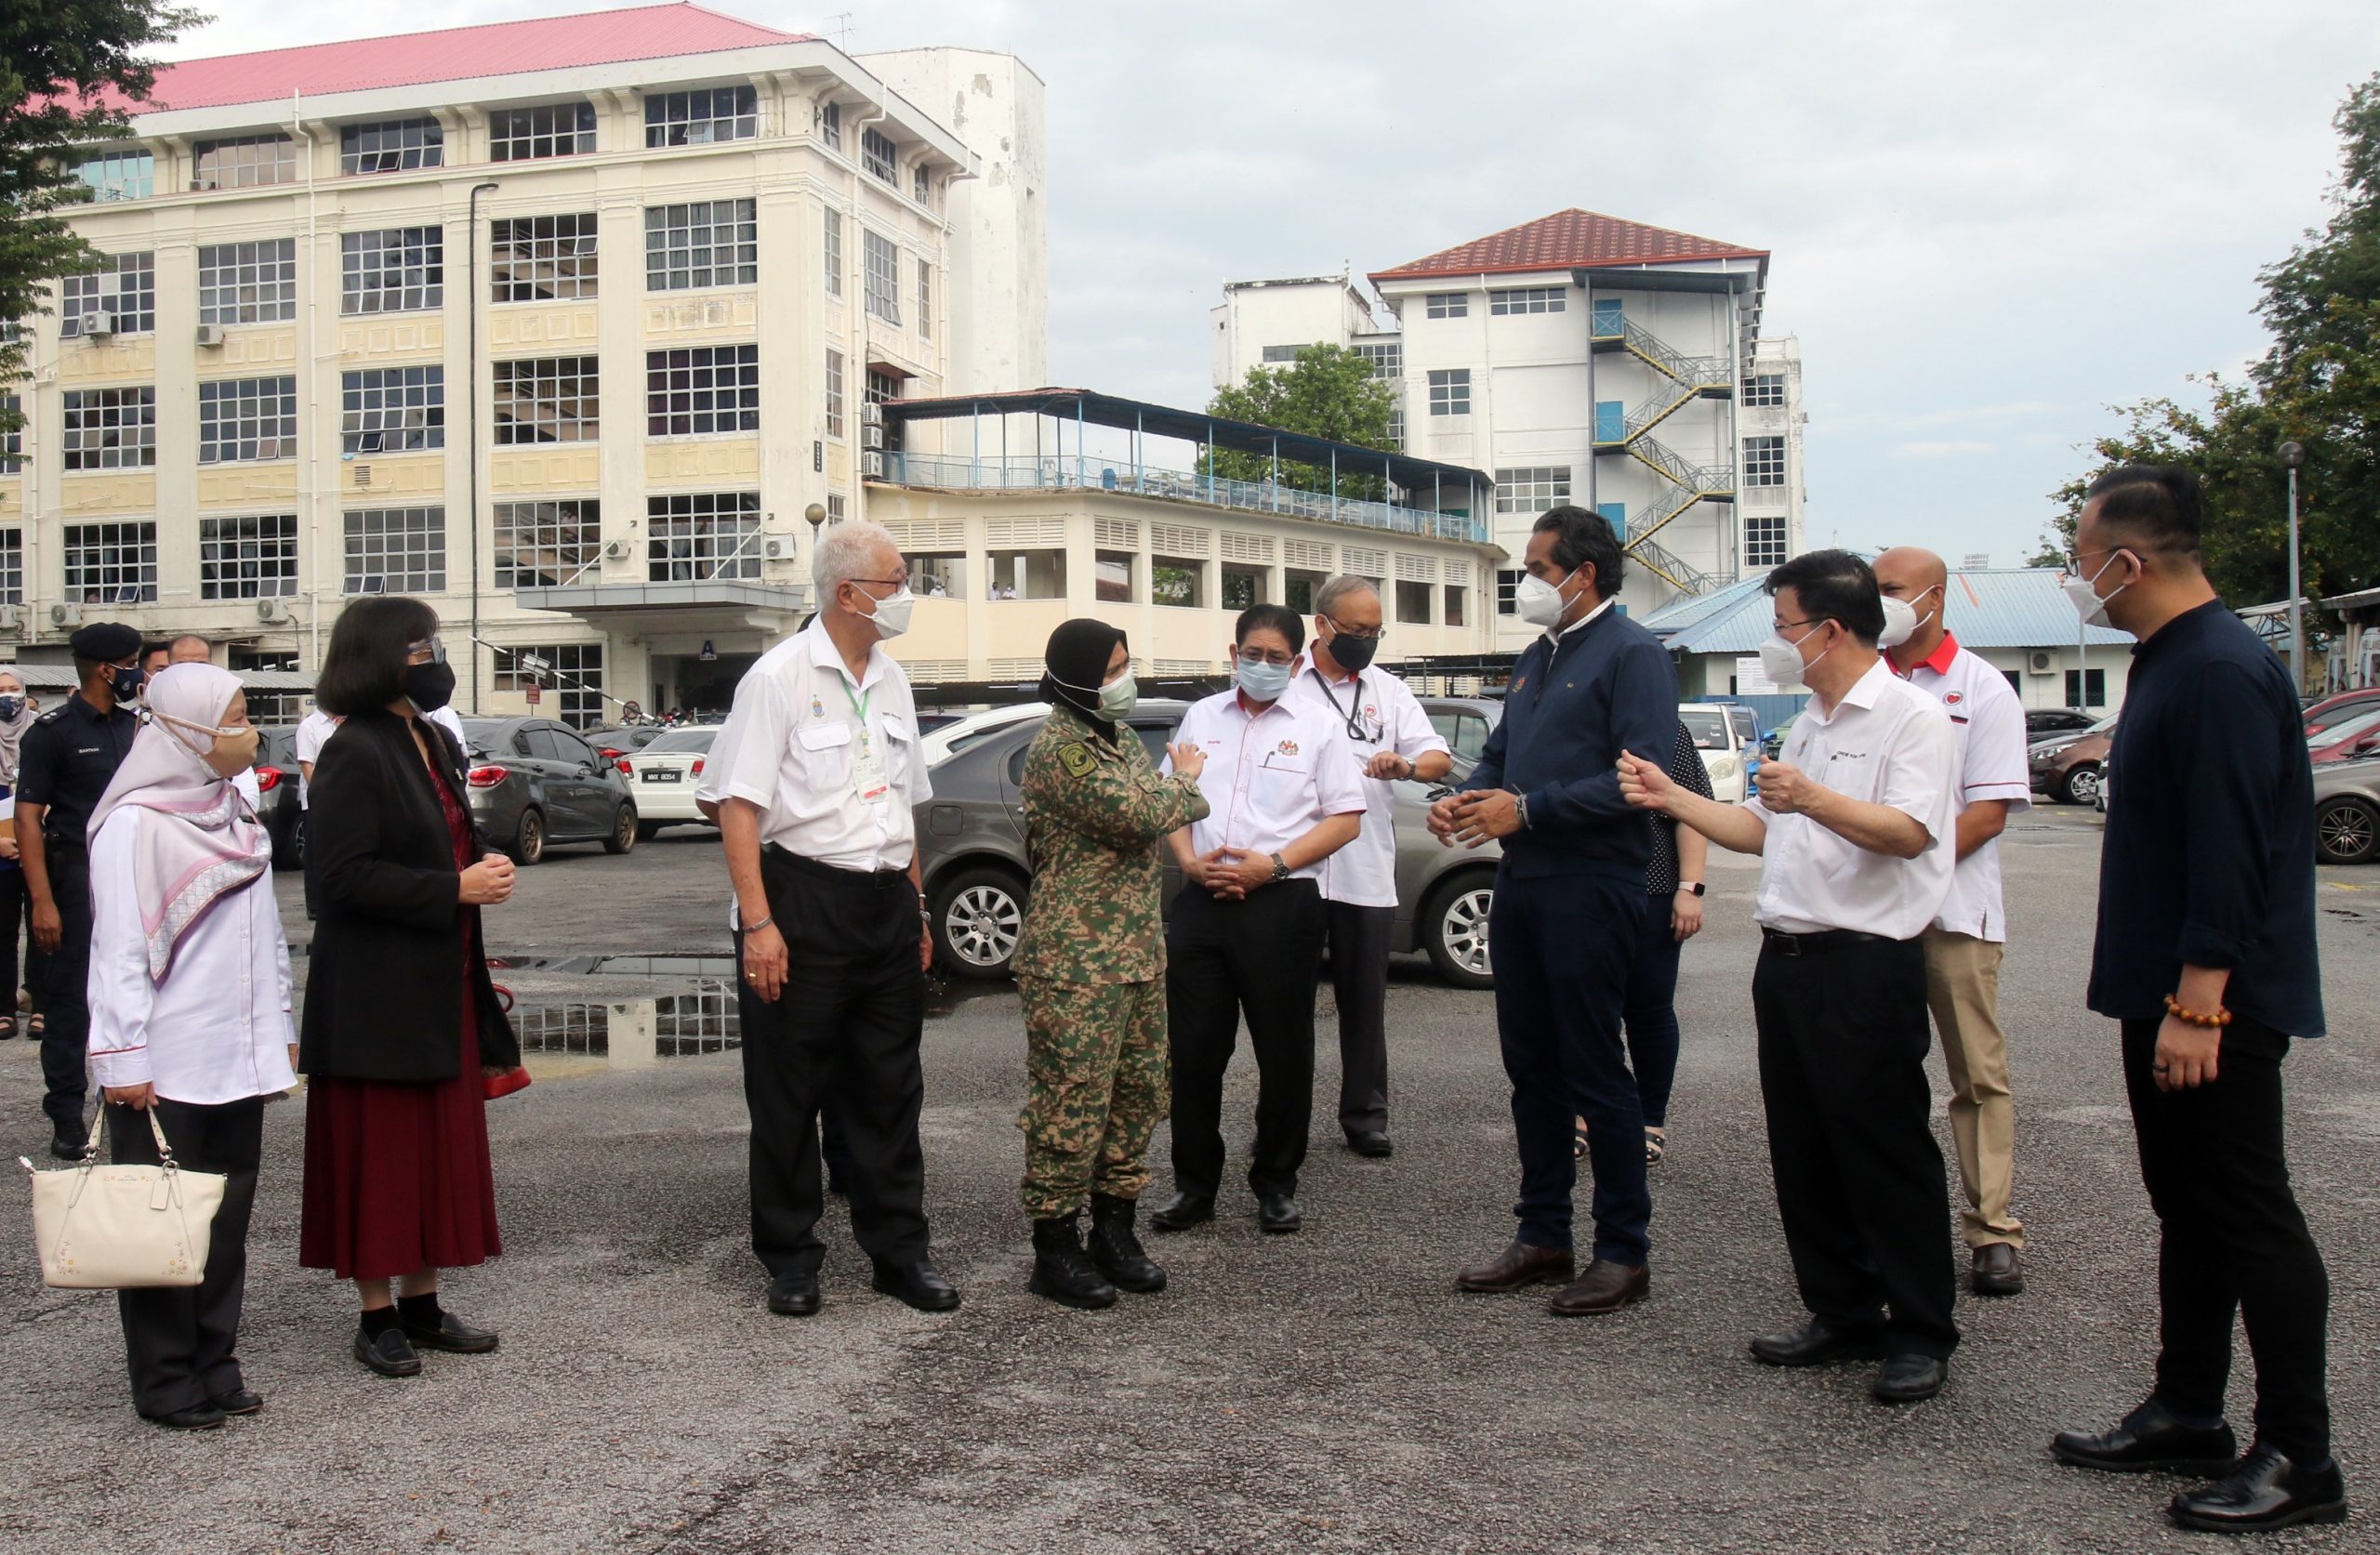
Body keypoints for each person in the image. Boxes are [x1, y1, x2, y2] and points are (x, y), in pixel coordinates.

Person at [2047, 467, 2346, 1533]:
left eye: (2082, 560)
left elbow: (2231, 848)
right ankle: (2187, 1406)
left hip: (2213, 999)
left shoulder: (2217, 668)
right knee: (2190, 1205)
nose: (2076, 577)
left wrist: (2200, 1000)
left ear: (2127, 561)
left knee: (2249, 1209)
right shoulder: (2172, 660)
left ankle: (2300, 1454)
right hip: (2167, 986)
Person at [1620, 548, 1960, 1403]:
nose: (1776, 642)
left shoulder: (1911, 717)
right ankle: (1842, 1310)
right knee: (1805, 1147)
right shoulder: (1811, 720)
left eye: (1784, 626)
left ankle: (1920, 1329)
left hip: (1866, 963)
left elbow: (1909, 832)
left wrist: (1811, 797)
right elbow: (1760, 827)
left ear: (1831, 629)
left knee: (1883, 1148)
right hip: (1790, 959)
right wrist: (1669, 796)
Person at [696, 521, 956, 1318]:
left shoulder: (893, 679)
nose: (907, 594)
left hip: (883, 902)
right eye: (896, 580)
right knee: (788, 1089)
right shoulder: (778, 677)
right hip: (801, 898)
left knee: (890, 1087)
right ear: (848, 593)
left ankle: (898, 1254)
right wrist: (760, 922)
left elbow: (904, 807)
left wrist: (916, 907)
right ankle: (791, 1258)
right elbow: (734, 806)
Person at [1434, 508, 1676, 1317]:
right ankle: (1543, 1234)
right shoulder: (1538, 654)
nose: (1526, 582)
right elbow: (1501, 759)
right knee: (1532, 1067)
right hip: (1525, 881)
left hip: (1593, 884)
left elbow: (1640, 779)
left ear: (1585, 573)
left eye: (1538, 568)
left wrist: (1528, 809)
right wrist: (1465, 799)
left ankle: (1622, 1250)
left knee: (1594, 1069)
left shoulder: (1634, 652)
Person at [298, 598, 522, 1379]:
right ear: (382, 657)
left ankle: (423, 1304)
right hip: (374, 993)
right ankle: (376, 1316)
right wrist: (453, 888)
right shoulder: (352, 748)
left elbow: (446, 834)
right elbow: (341, 878)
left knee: (433, 1147)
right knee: (382, 1154)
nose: (435, 659)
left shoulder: (429, 736)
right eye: (422, 648)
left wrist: (484, 861)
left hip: (438, 976)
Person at [86, 664, 293, 1430]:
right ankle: (166, 1375)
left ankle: (215, 1358)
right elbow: (116, 949)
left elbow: (266, 932)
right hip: (165, 1060)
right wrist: (122, 1056)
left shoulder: (234, 808)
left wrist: (279, 1023)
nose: (246, 731)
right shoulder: (134, 823)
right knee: (160, 1222)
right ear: (185, 727)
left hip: (237, 1052)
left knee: (225, 1219)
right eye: (232, 717)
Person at [1012, 620, 1210, 1307]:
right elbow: (1135, 813)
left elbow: (1148, 804)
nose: (1125, 680)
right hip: (1074, 961)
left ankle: (1114, 1231)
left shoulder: (1118, 738)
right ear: (1075, 679)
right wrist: (1185, 782)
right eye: (1112, 669)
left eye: (1126, 664)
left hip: (1136, 952)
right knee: (1071, 1102)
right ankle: (1055, 1245)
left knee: (1137, 1095)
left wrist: (1167, 793)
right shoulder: (1060, 750)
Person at [1150, 603, 1363, 1236]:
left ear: (1296, 664)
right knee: (1193, 1053)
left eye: (1276, 657)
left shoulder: (1320, 726)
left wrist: (1271, 866)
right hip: (1202, 903)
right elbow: (1172, 801)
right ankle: (1194, 1186)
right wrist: (1188, 862)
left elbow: (1345, 818)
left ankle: (1275, 1182)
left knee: (1283, 1051)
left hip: (1282, 903)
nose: (1262, 665)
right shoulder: (1201, 717)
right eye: (1252, 654)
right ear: (1233, 653)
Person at [1874, 547, 2032, 1297]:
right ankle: (1890, 1229)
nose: (1879, 601)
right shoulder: (1866, 682)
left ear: (1934, 598)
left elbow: (1989, 811)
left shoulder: (1982, 688)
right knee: (1878, 1074)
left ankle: (1993, 1229)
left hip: (1955, 914)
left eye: (1892, 589)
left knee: (1976, 1075)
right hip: (1872, 917)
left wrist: (1912, 864)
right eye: (1873, 588)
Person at [1281, 576, 1452, 1159]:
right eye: (1356, 630)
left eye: (1375, 632)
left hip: (1364, 871)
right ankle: (1283, 1122)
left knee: (1364, 1005)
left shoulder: (1388, 689)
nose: (1366, 641)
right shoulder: (1285, 681)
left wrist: (1405, 766)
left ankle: (1365, 1116)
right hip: (1295, 870)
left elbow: (1437, 757)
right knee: (1285, 1007)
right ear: (1322, 625)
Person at [14, 623, 144, 1158]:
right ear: (106, 670)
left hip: (133, 877)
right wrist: (42, 902)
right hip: (75, 878)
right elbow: (27, 819)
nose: (138, 673)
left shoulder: (138, 729)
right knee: (70, 1000)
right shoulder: (52, 732)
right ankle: (67, 1115)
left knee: (135, 988)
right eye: (132, 664)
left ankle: (132, 1098)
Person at [1616, 720, 1713, 1166]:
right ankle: (1588, 1113)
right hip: (1584, 890)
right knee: (1587, 1011)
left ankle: (1650, 1120)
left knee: (1649, 1009)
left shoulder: (1666, 730)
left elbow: (1691, 811)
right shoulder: (1578, 723)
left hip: (1652, 889)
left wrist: (1690, 889)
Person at [167, 635, 262, 811]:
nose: (193, 673)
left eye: (201, 665)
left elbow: (248, 802)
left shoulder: (221, 710)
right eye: (182, 666)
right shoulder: (150, 724)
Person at [0, 669, 36, 1042]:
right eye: (1, 691)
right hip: (1, 852)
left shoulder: (40, 732)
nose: (8, 697)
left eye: (14, 690)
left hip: (39, 846)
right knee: (4, 931)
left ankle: (40, 1002)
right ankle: (4, 1008)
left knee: (44, 928)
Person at [293, 705, 344, 920]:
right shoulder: (309, 727)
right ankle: (315, 905)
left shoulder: (343, 725)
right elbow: (307, 766)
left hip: (343, 800)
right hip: (317, 801)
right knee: (315, 853)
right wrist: (322, 795)